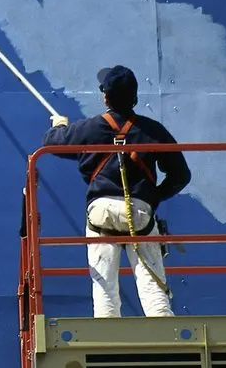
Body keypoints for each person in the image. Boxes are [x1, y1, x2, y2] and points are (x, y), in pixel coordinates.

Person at [43, 65, 191, 318]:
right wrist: (154, 197)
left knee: (104, 287)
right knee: (152, 285)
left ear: (105, 96)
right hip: (140, 212)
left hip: (101, 212)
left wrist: (59, 126)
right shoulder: (153, 131)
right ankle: (169, 338)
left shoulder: (89, 128)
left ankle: (106, 340)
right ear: (134, 96)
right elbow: (181, 175)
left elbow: (53, 143)